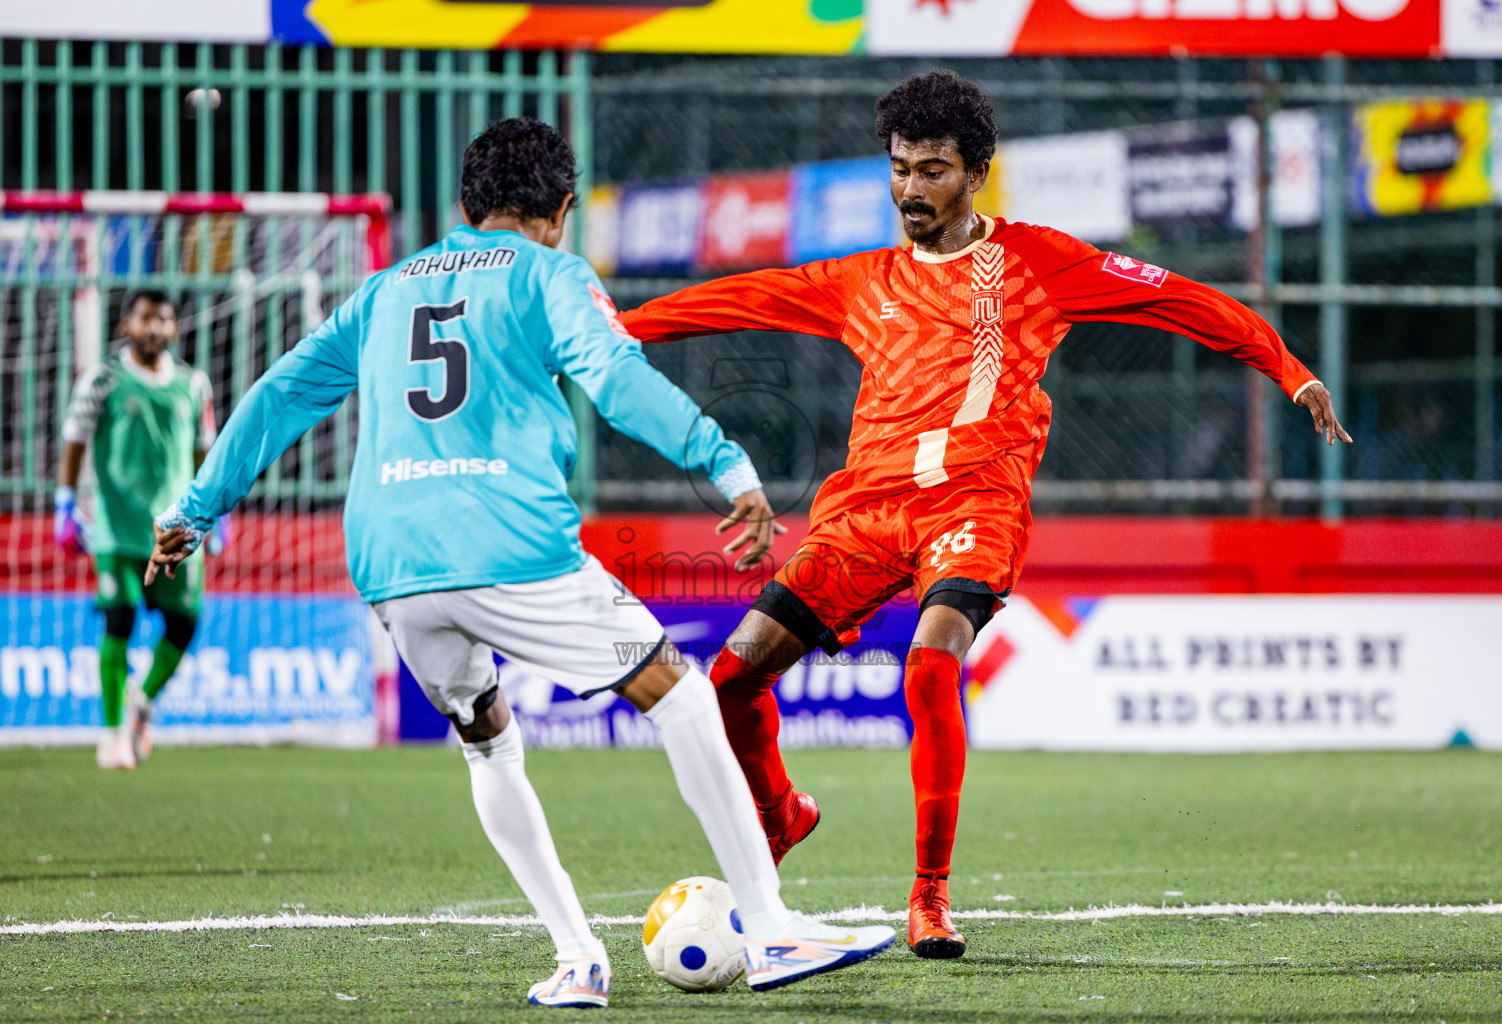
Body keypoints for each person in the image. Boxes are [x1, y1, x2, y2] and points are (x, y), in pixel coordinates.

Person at [145, 117, 894, 1007]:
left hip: (389, 561)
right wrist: (724, 460)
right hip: (507, 542)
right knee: (684, 697)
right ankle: (769, 930)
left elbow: (277, 396)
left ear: (468, 205)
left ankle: (578, 959)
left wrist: (193, 510)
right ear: (561, 210)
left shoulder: (385, 290)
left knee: (487, 739)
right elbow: (615, 379)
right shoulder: (549, 272)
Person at [618, 70, 1353, 961]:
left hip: (974, 499)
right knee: (728, 686)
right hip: (864, 513)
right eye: (900, 169)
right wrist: (618, 330)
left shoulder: (1038, 261)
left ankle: (931, 896)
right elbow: (738, 298)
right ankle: (781, 816)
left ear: (976, 174)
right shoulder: (863, 279)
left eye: (932, 171)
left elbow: (1180, 298)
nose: (910, 190)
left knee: (931, 664)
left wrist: (1290, 370)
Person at [56, 290, 227, 771]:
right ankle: (111, 736)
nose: (153, 327)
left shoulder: (194, 384)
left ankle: (141, 704)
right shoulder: (103, 379)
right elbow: (74, 439)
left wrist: (217, 510)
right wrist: (65, 501)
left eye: (163, 319)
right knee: (121, 618)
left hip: (175, 532)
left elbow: (203, 450)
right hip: (115, 528)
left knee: (184, 626)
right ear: (127, 325)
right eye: (144, 318)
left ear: (174, 329)